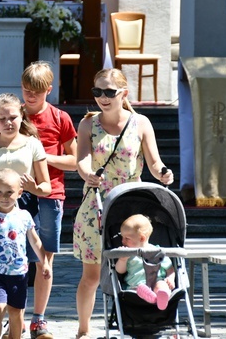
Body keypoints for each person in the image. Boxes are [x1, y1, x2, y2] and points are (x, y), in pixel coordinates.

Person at [73, 68, 174, 339]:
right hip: (96, 204)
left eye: (109, 92)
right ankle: (83, 330)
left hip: (130, 207)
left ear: (123, 94)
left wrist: (164, 171)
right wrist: (87, 173)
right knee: (91, 276)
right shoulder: (87, 124)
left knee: (133, 269)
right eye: (97, 92)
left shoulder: (141, 123)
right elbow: (82, 159)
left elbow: (154, 162)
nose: (103, 98)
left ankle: (139, 321)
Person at [0, 92, 52, 338]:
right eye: (2, 118)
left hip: (26, 208)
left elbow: (46, 186)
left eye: (13, 117)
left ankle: (19, 320)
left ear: (21, 116)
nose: (8, 122)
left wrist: (33, 188)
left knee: (23, 267)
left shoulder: (32, 144)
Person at [21, 61, 78, 339]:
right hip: (18, 194)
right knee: (17, 258)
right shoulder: (14, 116)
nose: (30, 96)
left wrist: (43, 158)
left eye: (36, 91)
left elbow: (75, 160)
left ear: (49, 90)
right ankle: (15, 316)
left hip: (50, 193)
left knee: (44, 261)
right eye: (26, 90)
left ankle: (39, 319)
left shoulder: (59, 118)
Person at [0, 168, 51, 339]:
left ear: (19, 193)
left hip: (18, 274)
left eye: (9, 192)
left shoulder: (24, 216)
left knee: (16, 313)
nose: (4, 197)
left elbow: (35, 241)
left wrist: (44, 262)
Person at [114, 214, 175, 311]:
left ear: (141, 238)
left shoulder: (157, 251)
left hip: (157, 280)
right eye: (122, 237)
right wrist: (123, 260)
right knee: (139, 289)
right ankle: (152, 298)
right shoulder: (127, 253)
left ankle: (162, 296)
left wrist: (170, 278)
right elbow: (119, 271)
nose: (122, 241)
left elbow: (170, 268)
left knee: (162, 285)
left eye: (127, 238)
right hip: (135, 285)